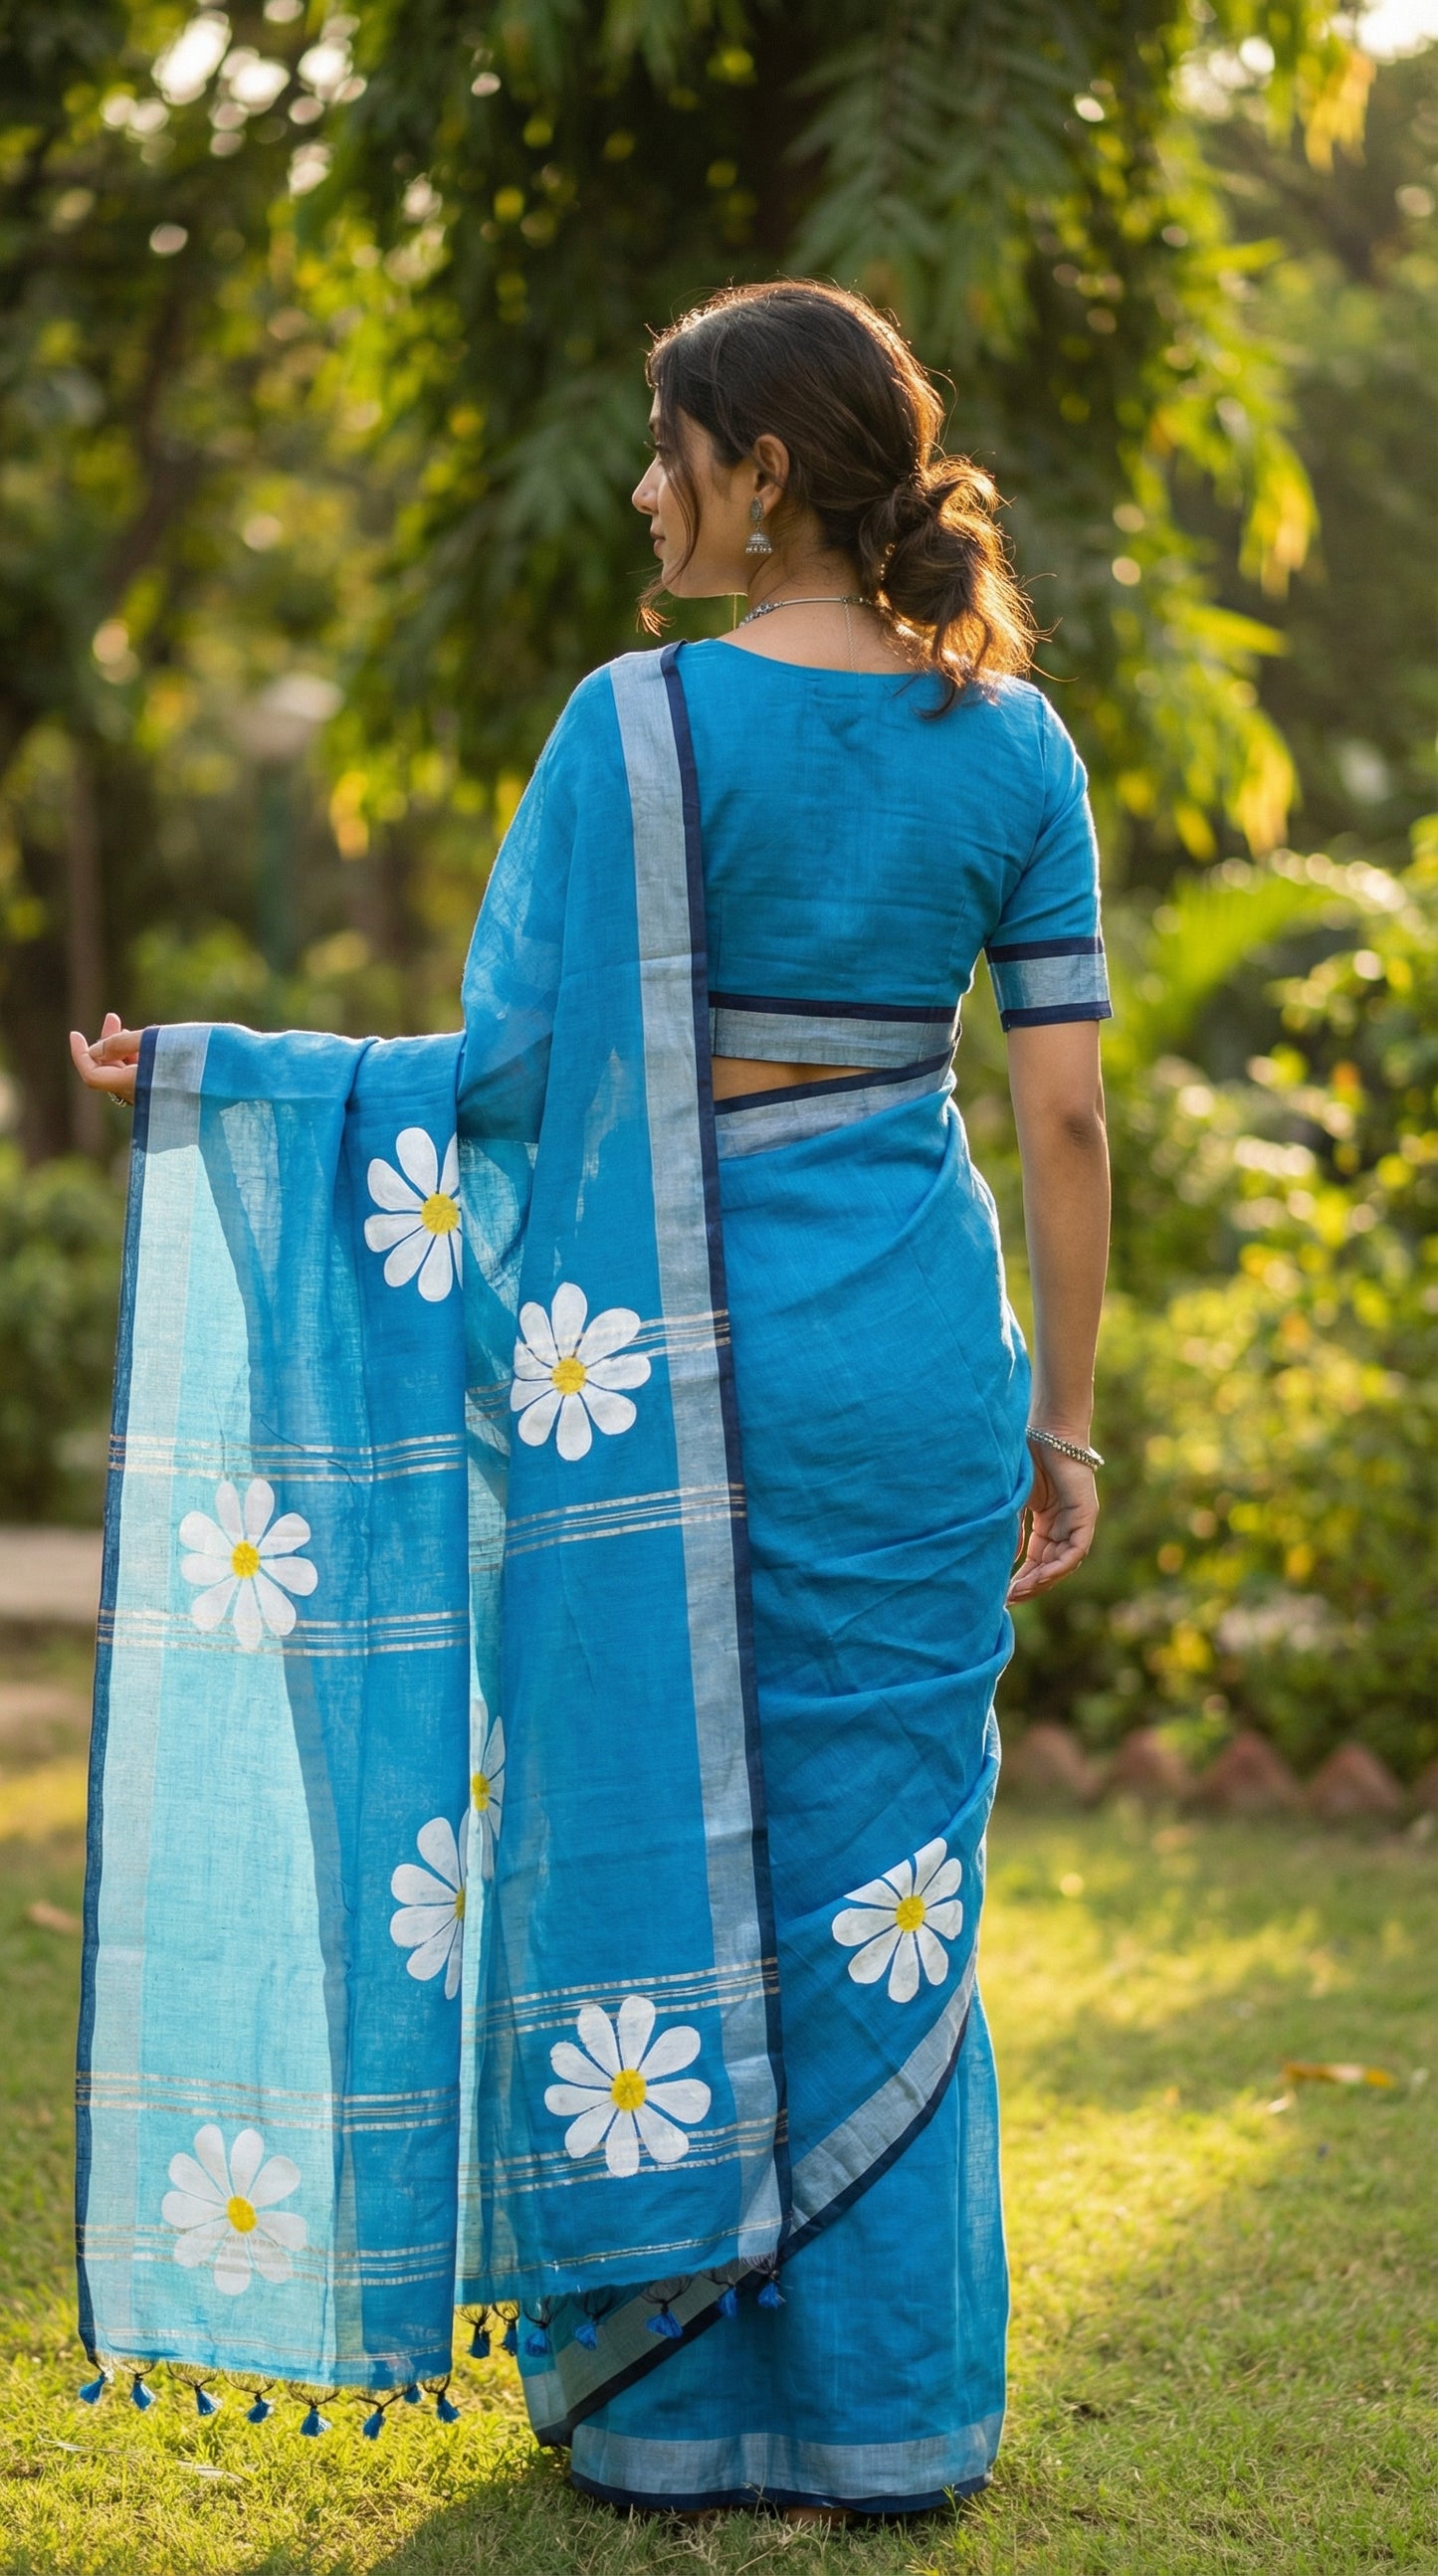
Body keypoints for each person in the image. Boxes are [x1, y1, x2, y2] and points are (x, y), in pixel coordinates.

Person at [72, 279, 1109, 2523]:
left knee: (653, 1838)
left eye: (670, 448)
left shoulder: (631, 730)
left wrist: (230, 1082)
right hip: (918, 1363)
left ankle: (666, 2403)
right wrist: (1069, 1421)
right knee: (887, 1881)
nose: (646, 489)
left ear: (762, 470)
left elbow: (517, 1084)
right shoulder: (1012, 745)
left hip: (644, 1380)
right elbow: (1067, 1134)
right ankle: (894, 2410)